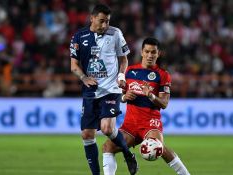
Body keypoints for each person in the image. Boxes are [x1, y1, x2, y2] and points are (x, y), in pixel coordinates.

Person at [102, 37, 191, 175]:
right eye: (147, 51)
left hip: (150, 123)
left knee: (158, 147)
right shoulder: (129, 71)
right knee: (108, 147)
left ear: (158, 54)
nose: (150, 55)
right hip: (130, 125)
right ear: (142, 52)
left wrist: (151, 95)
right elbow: (117, 96)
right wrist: (125, 97)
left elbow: (164, 103)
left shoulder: (163, 75)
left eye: (153, 52)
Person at [70, 4, 138, 175]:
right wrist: (84, 78)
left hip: (110, 88)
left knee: (107, 129)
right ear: (91, 18)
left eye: (107, 21)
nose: (104, 25)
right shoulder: (78, 37)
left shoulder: (115, 33)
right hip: (90, 91)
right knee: (87, 135)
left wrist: (122, 76)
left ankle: (128, 154)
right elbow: (74, 66)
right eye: (101, 21)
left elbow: (123, 60)